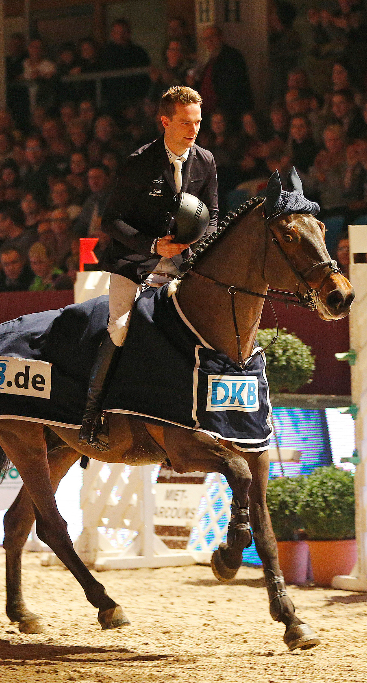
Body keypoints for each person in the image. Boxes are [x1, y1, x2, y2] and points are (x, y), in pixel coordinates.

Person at [79, 85, 219, 449]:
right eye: (186, 123)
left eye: (198, 123)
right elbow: (111, 221)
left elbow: (214, 216)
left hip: (183, 262)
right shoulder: (139, 162)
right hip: (135, 261)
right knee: (122, 328)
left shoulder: (205, 161)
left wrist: (193, 244)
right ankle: (92, 415)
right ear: (165, 121)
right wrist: (154, 245)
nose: (193, 131)